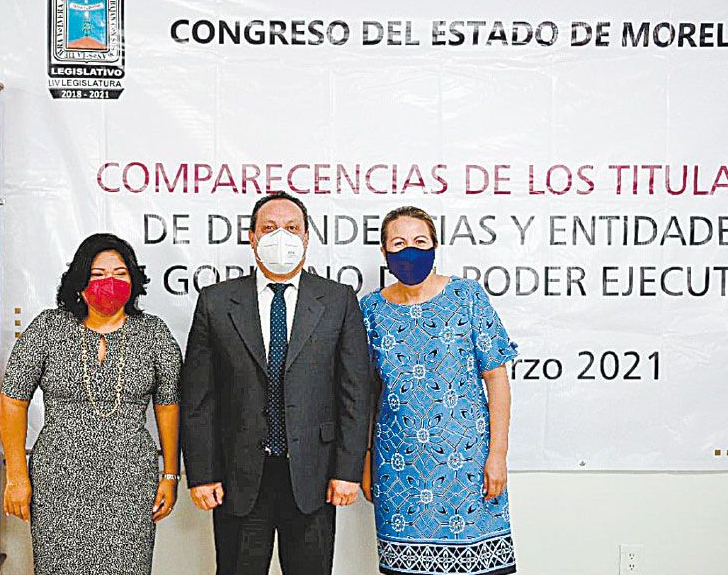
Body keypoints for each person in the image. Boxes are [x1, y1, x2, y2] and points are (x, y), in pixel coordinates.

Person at [180, 191, 376, 575]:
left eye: (291, 227)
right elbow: (198, 397)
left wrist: (348, 470)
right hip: (238, 476)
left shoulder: (338, 300)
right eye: (269, 228)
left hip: (314, 476)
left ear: (306, 237)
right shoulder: (216, 302)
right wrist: (202, 474)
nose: (281, 236)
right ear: (252, 237)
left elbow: (355, 391)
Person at [0, 233, 182, 575]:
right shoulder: (48, 328)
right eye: (98, 274)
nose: (109, 282)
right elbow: (13, 399)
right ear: (79, 282)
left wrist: (170, 475)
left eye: (120, 273)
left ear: (133, 281)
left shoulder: (153, 333)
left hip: (130, 481)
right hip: (58, 481)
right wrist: (16, 476)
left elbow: (168, 405)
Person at [360, 206, 518, 575]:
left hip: (468, 465)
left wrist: (497, 455)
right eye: (398, 243)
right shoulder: (370, 309)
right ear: (384, 252)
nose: (410, 251)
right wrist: (365, 461)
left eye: (420, 242)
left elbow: (496, 378)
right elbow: (364, 393)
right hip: (397, 469)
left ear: (435, 246)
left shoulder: (466, 296)